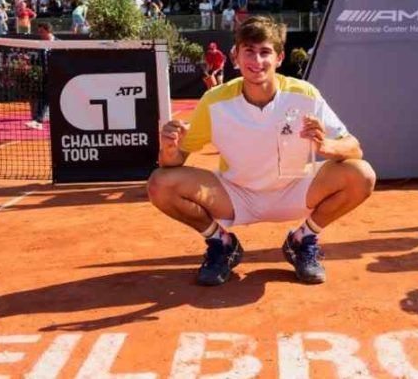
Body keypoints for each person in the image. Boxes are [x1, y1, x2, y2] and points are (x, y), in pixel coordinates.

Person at [148, 16, 376, 286]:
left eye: (265, 52)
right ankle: (222, 243)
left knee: (361, 174)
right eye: (249, 52)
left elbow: (354, 148)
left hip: (296, 190)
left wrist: (327, 146)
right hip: (236, 194)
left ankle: (302, 239)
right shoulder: (214, 101)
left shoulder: (305, 94)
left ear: (279, 58)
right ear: (236, 56)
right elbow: (172, 162)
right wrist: (168, 148)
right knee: (160, 183)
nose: (257, 61)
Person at [25, 23, 55, 130]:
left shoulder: (59, 43)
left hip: (59, 77)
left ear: (48, 31)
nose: (40, 34)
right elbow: (39, 61)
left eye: (41, 31)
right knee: (44, 98)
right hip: (46, 77)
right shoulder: (41, 45)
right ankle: (38, 121)